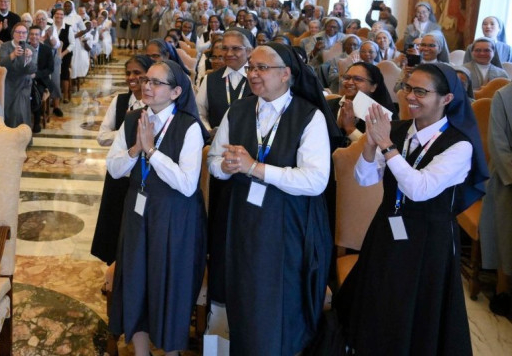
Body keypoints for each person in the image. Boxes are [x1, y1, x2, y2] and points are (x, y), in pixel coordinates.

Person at [335, 63, 488, 355]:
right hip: (387, 225)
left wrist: (385, 144)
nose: (410, 97)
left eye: (421, 91)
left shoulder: (460, 145)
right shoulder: (397, 129)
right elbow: (364, 178)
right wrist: (370, 144)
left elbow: (420, 189)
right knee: (381, 296)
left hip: (429, 236)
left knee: (416, 307)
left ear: (446, 99)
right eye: (407, 88)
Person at [207, 43, 338, 354]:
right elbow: (213, 160)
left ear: (286, 74)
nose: (253, 74)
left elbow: (315, 180)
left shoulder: (310, 116)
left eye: (262, 68)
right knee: (243, 294)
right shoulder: (238, 110)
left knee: (279, 300)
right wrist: (225, 167)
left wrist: (255, 168)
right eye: (251, 67)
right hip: (242, 219)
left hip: (287, 223)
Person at [106, 60, 207, 355]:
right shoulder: (132, 120)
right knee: (135, 279)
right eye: (146, 80)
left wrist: (151, 151)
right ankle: (141, 351)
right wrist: (136, 148)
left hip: (175, 217)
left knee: (169, 284)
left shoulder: (189, 126)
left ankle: (171, 350)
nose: (147, 86)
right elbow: (114, 169)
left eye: (156, 82)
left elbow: (187, 184)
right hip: (138, 212)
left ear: (176, 92)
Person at [480, 79, 512, 317]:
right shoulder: (504, 97)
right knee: (506, 232)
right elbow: (498, 146)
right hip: (506, 177)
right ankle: (504, 290)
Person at [328, 62, 397, 147]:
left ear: (373, 87)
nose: (350, 82)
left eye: (357, 79)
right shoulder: (328, 105)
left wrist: (350, 129)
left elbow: (381, 150)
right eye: (347, 78)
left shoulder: (381, 115)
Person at [0, 22, 37, 129]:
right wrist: (13, 55)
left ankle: (22, 135)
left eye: (24, 33)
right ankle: (8, 134)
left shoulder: (31, 49)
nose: (21, 35)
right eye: (18, 32)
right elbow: (1, 64)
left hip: (23, 83)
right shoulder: (5, 46)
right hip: (8, 82)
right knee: (8, 111)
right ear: (13, 33)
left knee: (19, 110)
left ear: (27, 35)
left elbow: (33, 70)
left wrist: (29, 59)